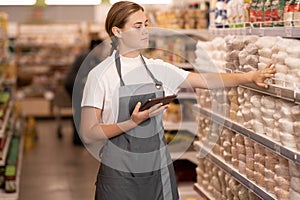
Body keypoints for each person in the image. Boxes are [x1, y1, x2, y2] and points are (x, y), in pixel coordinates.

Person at [80, 1, 276, 200]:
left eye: (146, 24)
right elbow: (89, 133)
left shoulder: (157, 69)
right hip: (118, 176)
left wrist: (249, 77)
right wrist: (132, 122)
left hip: (158, 169)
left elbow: (205, 80)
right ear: (117, 31)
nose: (145, 31)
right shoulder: (101, 75)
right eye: (137, 26)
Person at [64, 37, 106, 145]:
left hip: (75, 84)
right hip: (74, 86)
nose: (102, 51)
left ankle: (80, 138)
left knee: (80, 110)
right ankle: (78, 139)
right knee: (79, 110)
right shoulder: (87, 57)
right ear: (95, 47)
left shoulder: (90, 56)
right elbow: (85, 76)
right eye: (101, 48)